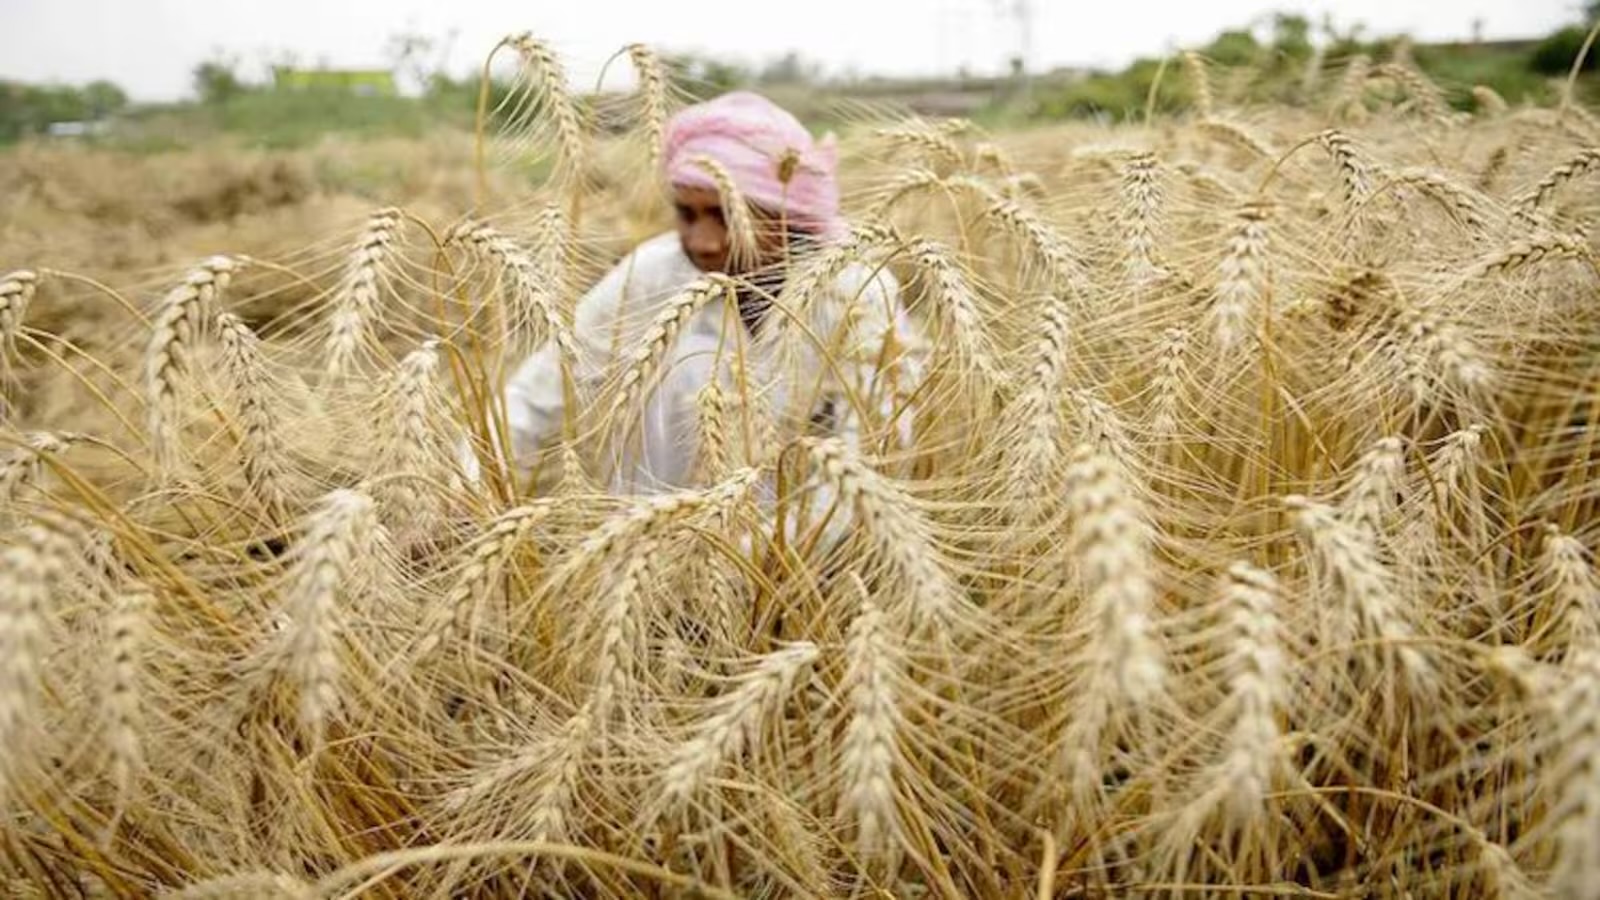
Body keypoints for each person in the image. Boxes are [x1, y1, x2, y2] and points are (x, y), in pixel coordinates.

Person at [499, 91, 923, 515]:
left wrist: (774, 547)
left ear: (787, 213)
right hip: (650, 533)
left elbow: (876, 445)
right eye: (687, 214)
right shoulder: (652, 273)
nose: (703, 243)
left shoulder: (855, 290)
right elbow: (541, 389)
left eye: (728, 216)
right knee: (690, 364)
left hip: (806, 536)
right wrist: (474, 484)